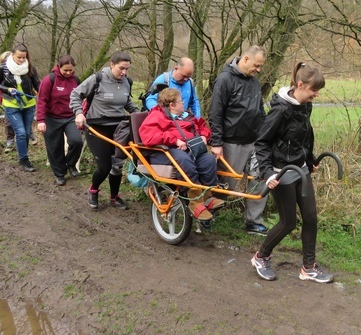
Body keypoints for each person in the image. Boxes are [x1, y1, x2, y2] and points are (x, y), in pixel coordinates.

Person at [250, 62, 333, 283]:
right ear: (300, 84)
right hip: (281, 171)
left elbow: (305, 135)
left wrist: (310, 158)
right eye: (314, 90)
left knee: (311, 218)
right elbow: (262, 142)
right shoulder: (281, 110)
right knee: (288, 223)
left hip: (301, 168)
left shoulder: (305, 105)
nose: (316, 94)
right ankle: (261, 257)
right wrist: (267, 173)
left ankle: (308, 267)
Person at [139, 88, 224, 221]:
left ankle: (207, 196)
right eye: (181, 101)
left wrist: (203, 136)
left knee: (208, 160)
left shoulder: (186, 115)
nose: (184, 103)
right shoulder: (156, 116)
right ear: (172, 105)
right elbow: (148, 136)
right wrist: (174, 139)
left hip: (191, 149)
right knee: (185, 160)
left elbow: (202, 126)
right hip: (165, 152)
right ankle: (194, 201)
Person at [208, 46, 268, 235]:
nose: (258, 70)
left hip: (255, 141)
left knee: (259, 179)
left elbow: (260, 111)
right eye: (256, 65)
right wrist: (216, 143)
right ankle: (208, 215)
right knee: (227, 184)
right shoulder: (225, 80)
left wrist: (267, 135)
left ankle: (253, 220)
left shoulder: (255, 83)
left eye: (260, 67)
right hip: (231, 141)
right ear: (246, 59)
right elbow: (215, 114)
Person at [70, 51, 139, 210]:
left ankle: (114, 197)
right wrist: (79, 113)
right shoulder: (97, 79)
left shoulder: (127, 81)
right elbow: (75, 95)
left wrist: (140, 113)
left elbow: (127, 102)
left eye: (127, 69)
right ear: (112, 65)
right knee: (104, 166)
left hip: (119, 128)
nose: (124, 72)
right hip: (96, 127)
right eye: (121, 68)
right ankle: (93, 190)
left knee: (117, 165)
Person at [36, 55, 84, 186]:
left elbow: (81, 99)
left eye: (71, 70)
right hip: (51, 117)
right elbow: (41, 101)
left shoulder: (76, 80)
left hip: (70, 117)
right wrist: (40, 120)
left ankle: (71, 163)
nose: (68, 73)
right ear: (59, 67)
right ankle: (59, 174)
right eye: (65, 70)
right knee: (55, 147)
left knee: (76, 141)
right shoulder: (49, 79)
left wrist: (82, 113)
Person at [0, 44, 41, 172]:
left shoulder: (30, 68)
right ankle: (24, 160)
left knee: (26, 133)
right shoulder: (3, 68)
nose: (21, 60)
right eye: (19, 57)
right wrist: (7, 89)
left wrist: (45, 96)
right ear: (13, 55)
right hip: (11, 104)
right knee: (20, 132)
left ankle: (24, 157)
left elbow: (38, 84)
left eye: (23, 57)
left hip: (29, 104)